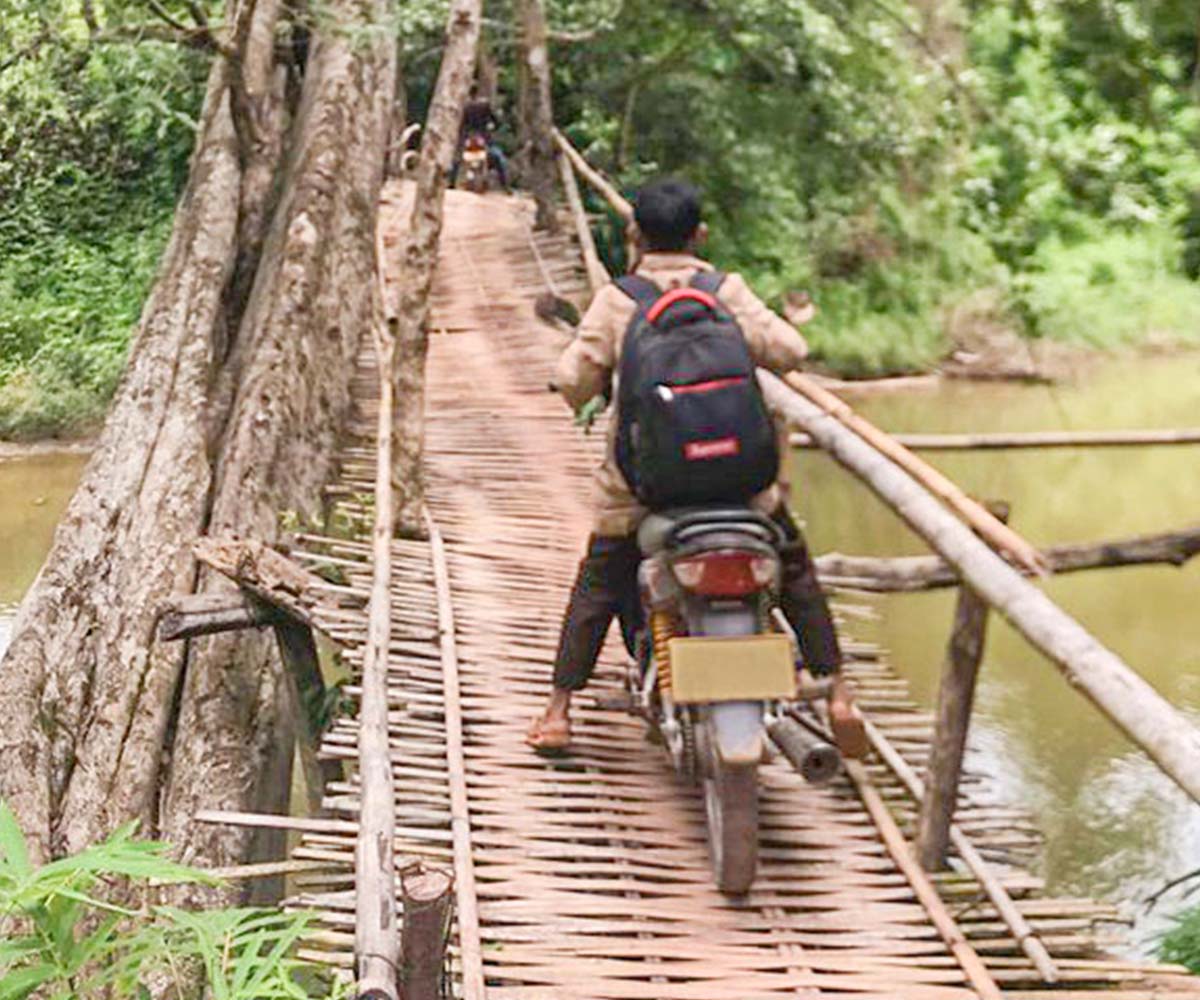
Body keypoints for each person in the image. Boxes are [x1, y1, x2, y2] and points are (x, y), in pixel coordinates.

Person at [526, 177, 858, 752]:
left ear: (634, 234)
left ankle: (558, 710)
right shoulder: (723, 289)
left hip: (645, 489)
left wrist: (576, 381)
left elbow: (575, 381)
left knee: (600, 579)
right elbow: (791, 351)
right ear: (700, 234)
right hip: (740, 485)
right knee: (795, 566)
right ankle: (839, 693)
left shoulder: (617, 300)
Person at [451, 84, 510, 190]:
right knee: (499, 159)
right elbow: (496, 122)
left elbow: (460, 124)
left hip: (467, 138)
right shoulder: (485, 105)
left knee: (457, 159)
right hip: (484, 138)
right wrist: (493, 127)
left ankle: (451, 183)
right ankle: (505, 186)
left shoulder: (465, 106)